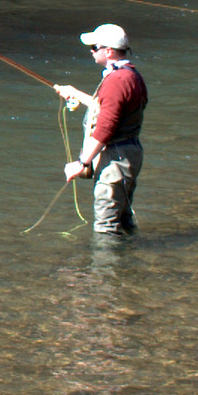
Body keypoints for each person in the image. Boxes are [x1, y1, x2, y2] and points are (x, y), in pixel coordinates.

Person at [54, 23, 148, 236]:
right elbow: (107, 108)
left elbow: (106, 128)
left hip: (116, 159)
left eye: (94, 47)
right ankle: (129, 263)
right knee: (122, 218)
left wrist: (81, 163)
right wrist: (75, 93)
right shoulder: (129, 75)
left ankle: (104, 269)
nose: (91, 51)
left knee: (106, 227)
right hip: (128, 152)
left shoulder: (117, 80)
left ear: (109, 51)